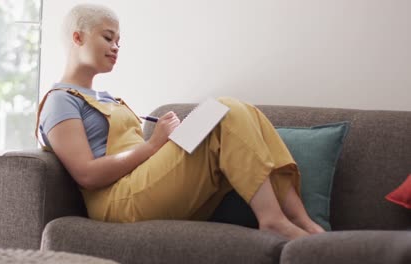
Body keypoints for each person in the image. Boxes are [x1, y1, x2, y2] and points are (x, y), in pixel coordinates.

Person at [36, 3, 325, 240]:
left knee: (246, 113)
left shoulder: (106, 97)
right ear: (78, 38)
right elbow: (86, 174)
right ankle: (272, 220)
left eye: (118, 41)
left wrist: (176, 139)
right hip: (117, 202)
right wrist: (154, 145)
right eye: (108, 38)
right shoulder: (61, 100)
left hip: (145, 183)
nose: (116, 47)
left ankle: (303, 222)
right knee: (224, 109)